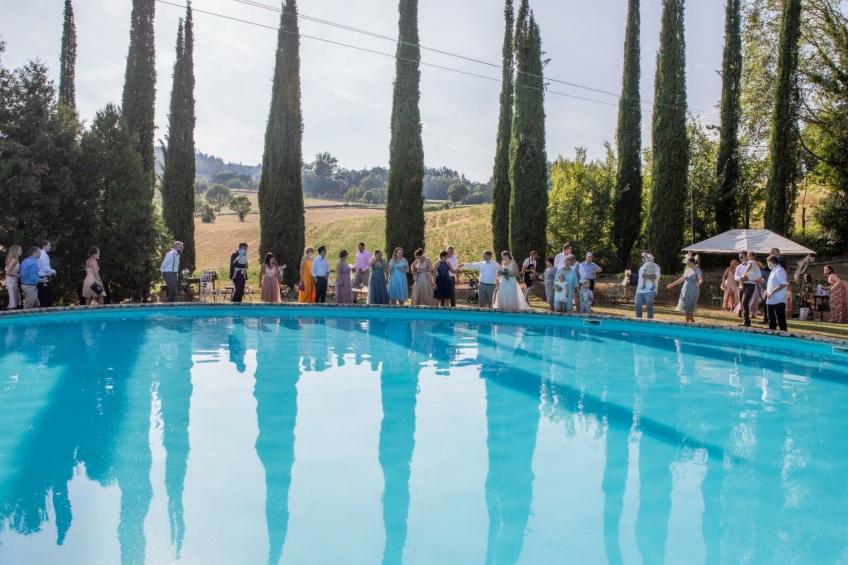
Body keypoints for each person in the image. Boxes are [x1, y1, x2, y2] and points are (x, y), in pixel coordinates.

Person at [668, 257, 702, 324]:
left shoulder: (697, 270)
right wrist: (672, 284)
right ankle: (691, 323)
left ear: (692, 263)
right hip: (685, 290)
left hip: (693, 291)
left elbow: (701, 279)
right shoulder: (687, 270)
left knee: (689, 308)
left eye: (688, 262)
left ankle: (687, 323)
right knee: (687, 309)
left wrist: (699, 283)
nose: (687, 264)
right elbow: (681, 280)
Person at [735, 251, 762, 326]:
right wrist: (741, 278)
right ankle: (745, 321)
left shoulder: (754, 265)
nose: (740, 258)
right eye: (739, 257)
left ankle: (746, 321)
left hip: (750, 284)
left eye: (742, 257)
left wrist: (749, 278)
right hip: (741, 284)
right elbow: (735, 277)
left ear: (747, 256)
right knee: (742, 303)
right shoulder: (739, 267)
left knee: (745, 302)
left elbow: (759, 276)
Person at [763, 255, 788, 331]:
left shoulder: (780, 270)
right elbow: (771, 283)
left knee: (780, 318)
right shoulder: (773, 270)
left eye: (768, 263)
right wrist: (766, 291)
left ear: (772, 262)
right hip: (771, 298)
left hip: (779, 298)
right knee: (771, 318)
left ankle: (783, 333)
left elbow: (783, 284)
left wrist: (772, 292)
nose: (768, 265)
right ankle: (772, 332)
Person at [635, 253, 660, 319]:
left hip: (650, 290)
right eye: (644, 257)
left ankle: (650, 322)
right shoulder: (642, 266)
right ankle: (638, 321)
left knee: (649, 306)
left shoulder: (655, 266)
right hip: (639, 290)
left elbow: (656, 276)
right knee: (637, 306)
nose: (643, 258)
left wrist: (647, 276)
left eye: (646, 257)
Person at [37, 239, 56, 307]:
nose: (50, 247)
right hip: (44, 277)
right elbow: (46, 269)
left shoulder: (39, 254)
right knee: (46, 297)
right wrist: (53, 271)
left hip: (39, 277)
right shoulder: (44, 255)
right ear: (44, 246)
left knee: (41, 296)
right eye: (49, 246)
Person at [4, 245, 22, 310]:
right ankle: (9, 318)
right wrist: (19, 275)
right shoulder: (13, 260)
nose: (21, 251)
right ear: (15, 251)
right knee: (13, 301)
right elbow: (8, 272)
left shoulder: (15, 260)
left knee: (15, 300)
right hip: (11, 282)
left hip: (14, 281)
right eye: (19, 250)